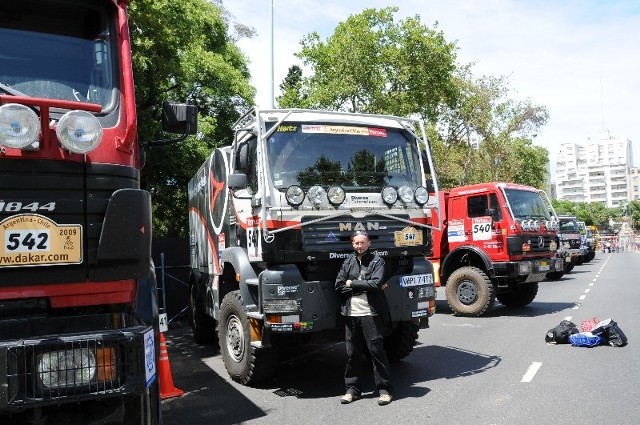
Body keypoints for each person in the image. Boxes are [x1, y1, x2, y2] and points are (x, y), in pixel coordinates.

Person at [335, 230, 393, 406]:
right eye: (356, 243)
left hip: (371, 313)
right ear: (352, 244)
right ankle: (352, 390)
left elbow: (376, 284)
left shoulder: (377, 261)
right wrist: (364, 287)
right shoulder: (348, 261)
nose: (359, 246)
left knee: (376, 352)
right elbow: (338, 285)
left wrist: (352, 283)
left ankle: (384, 390)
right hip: (351, 314)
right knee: (353, 353)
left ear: (369, 243)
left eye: (362, 242)